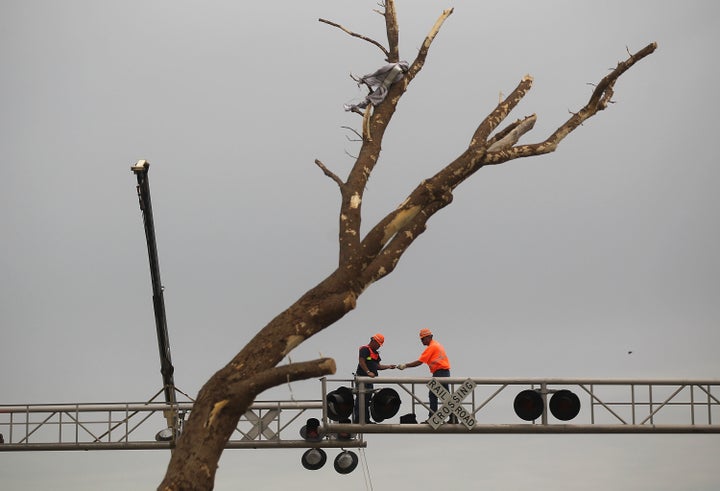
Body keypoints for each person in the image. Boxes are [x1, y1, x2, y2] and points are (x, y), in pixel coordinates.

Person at [398, 328, 454, 421]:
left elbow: (419, 362)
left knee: (434, 395)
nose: (422, 341)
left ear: (429, 337)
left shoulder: (432, 347)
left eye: (423, 339)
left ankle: (433, 417)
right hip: (443, 372)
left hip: (440, 372)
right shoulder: (436, 345)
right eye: (421, 339)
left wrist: (405, 366)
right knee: (445, 396)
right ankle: (452, 417)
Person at [354, 333, 396, 423]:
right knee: (361, 397)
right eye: (378, 344)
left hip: (369, 380)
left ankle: (365, 419)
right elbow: (361, 361)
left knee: (367, 398)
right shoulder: (365, 349)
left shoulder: (375, 353)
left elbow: (378, 366)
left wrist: (389, 366)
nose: (379, 347)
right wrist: (368, 372)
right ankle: (358, 418)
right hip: (362, 378)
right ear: (373, 341)